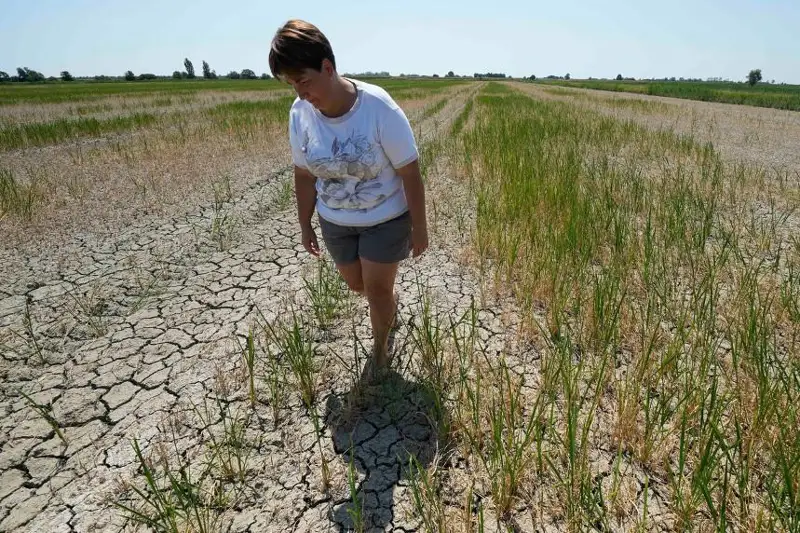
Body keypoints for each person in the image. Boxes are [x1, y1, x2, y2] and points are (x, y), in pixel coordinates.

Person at [268, 19, 429, 375]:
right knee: (358, 285)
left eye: (304, 80)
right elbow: (304, 174)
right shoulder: (300, 115)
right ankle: (389, 304)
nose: (299, 93)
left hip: (386, 217)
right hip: (336, 221)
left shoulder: (378, 107)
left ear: (328, 67)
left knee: (375, 290)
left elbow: (409, 171)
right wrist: (304, 223)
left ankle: (381, 353)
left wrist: (419, 227)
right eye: (291, 84)